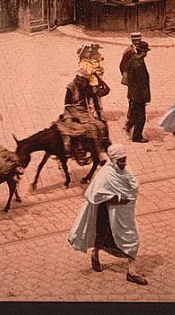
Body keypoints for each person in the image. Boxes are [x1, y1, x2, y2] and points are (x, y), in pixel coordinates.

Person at [68, 144, 148, 286]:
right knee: (102, 235)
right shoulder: (106, 174)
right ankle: (95, 255)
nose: (123, 163)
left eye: (124, 160)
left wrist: (128, 196)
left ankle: (131, 272)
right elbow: (93, 193)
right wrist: (118, 198)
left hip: (124, 214)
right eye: (121, 161)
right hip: (107, 211)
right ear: (113, 161)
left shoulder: (125, 170)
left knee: (131, 238)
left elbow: (132, 186)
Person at [57, 68, 104, 157]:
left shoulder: (88, 88)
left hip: (83, 112)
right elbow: (67, 104)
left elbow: (96, 101)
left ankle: (97, 150)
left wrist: (99, 114)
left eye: (81, 79)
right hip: (70, 111)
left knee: (97, 127)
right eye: (77, 78)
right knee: (67, 128)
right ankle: (66, 150)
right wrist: (72, 115)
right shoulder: (71, 87)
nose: (78, 80)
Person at [125, 40, 151, 142]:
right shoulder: (139, 64)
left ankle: (128, 126)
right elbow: (142, 84)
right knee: (141, 117)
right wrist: (146, 98)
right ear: (144, 52)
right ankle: (137, 136)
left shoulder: (133, 59)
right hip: (139, 95)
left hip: (132, 93)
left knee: (134, 113)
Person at [119, 32, 142, 128]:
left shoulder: (138, 50)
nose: (137, 42)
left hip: (137, 78)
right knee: (132, 97)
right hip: (132, 78)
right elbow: (122, 65)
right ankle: (130, 116)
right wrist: (127, 76)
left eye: (138, 40)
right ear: (132, 41)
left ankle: (131, 115)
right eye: (135, 41)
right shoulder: (129, 51)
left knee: (133, 97)